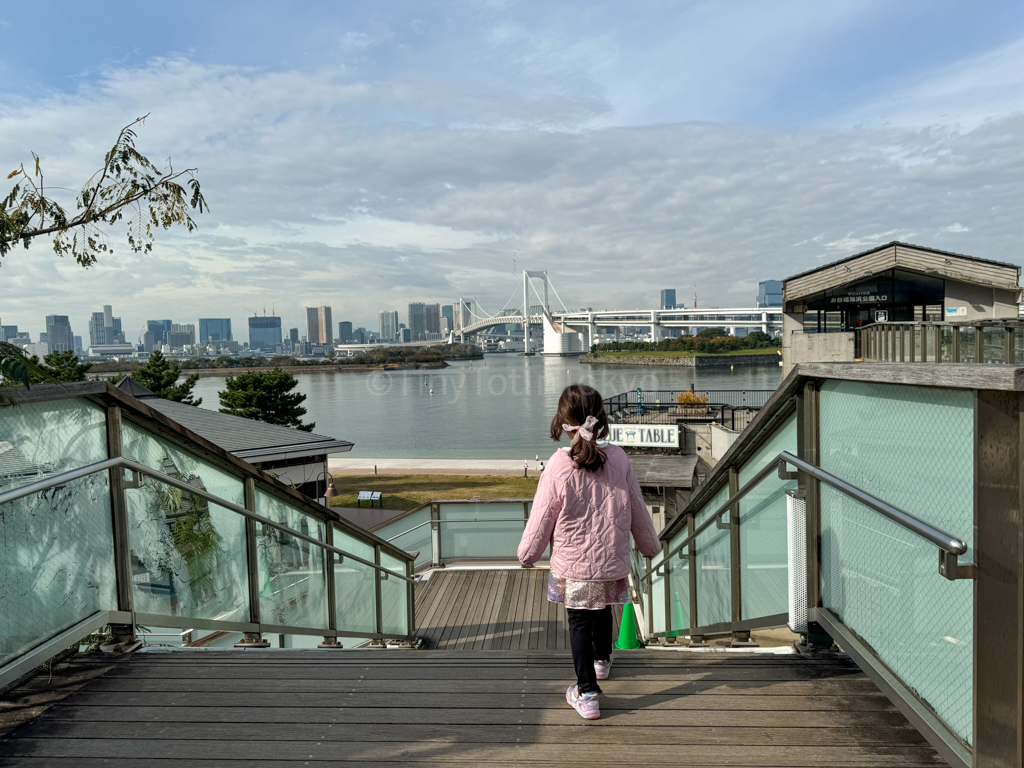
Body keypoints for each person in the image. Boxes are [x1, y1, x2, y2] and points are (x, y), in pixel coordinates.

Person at [517, 384, 661, 720]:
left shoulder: (558, 465)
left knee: (579, 622)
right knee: (602, 610)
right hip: (611, 559)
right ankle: (602, 661)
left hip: (573, 564)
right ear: (602, 419)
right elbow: (638, 508)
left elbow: (541, 518)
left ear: (564, 420)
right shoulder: (620, 458)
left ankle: (587, 693)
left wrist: (527, 555)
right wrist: (650, 546)